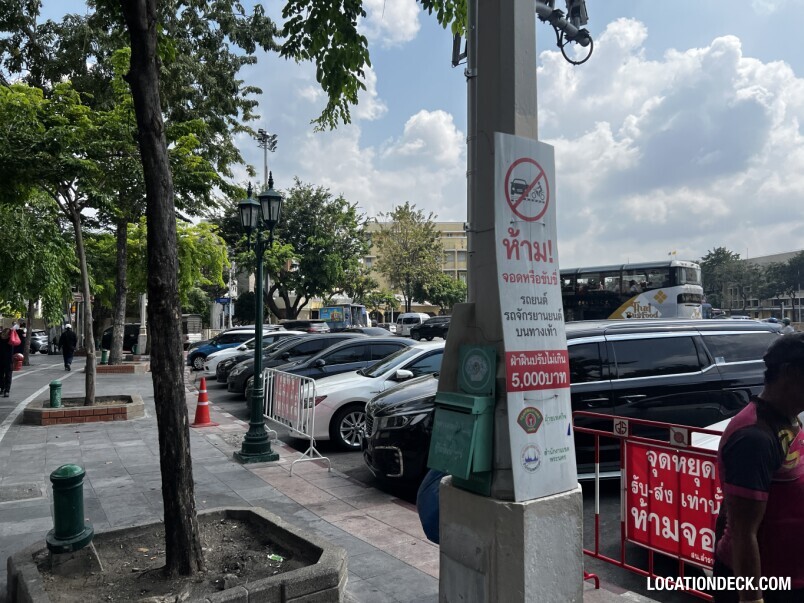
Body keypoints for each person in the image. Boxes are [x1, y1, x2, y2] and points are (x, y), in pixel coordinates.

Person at [712, 333, 804, 602]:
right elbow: (742, 531)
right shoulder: (754, 437)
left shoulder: (787, 417)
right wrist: (752, 598)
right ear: (790, 373)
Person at [0, 328, 13, 397]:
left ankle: (6, 390)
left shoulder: (11, 339)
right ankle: (3, 388)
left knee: (8, 375)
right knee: (1, 375)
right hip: (2, 359)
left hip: (8, 359)